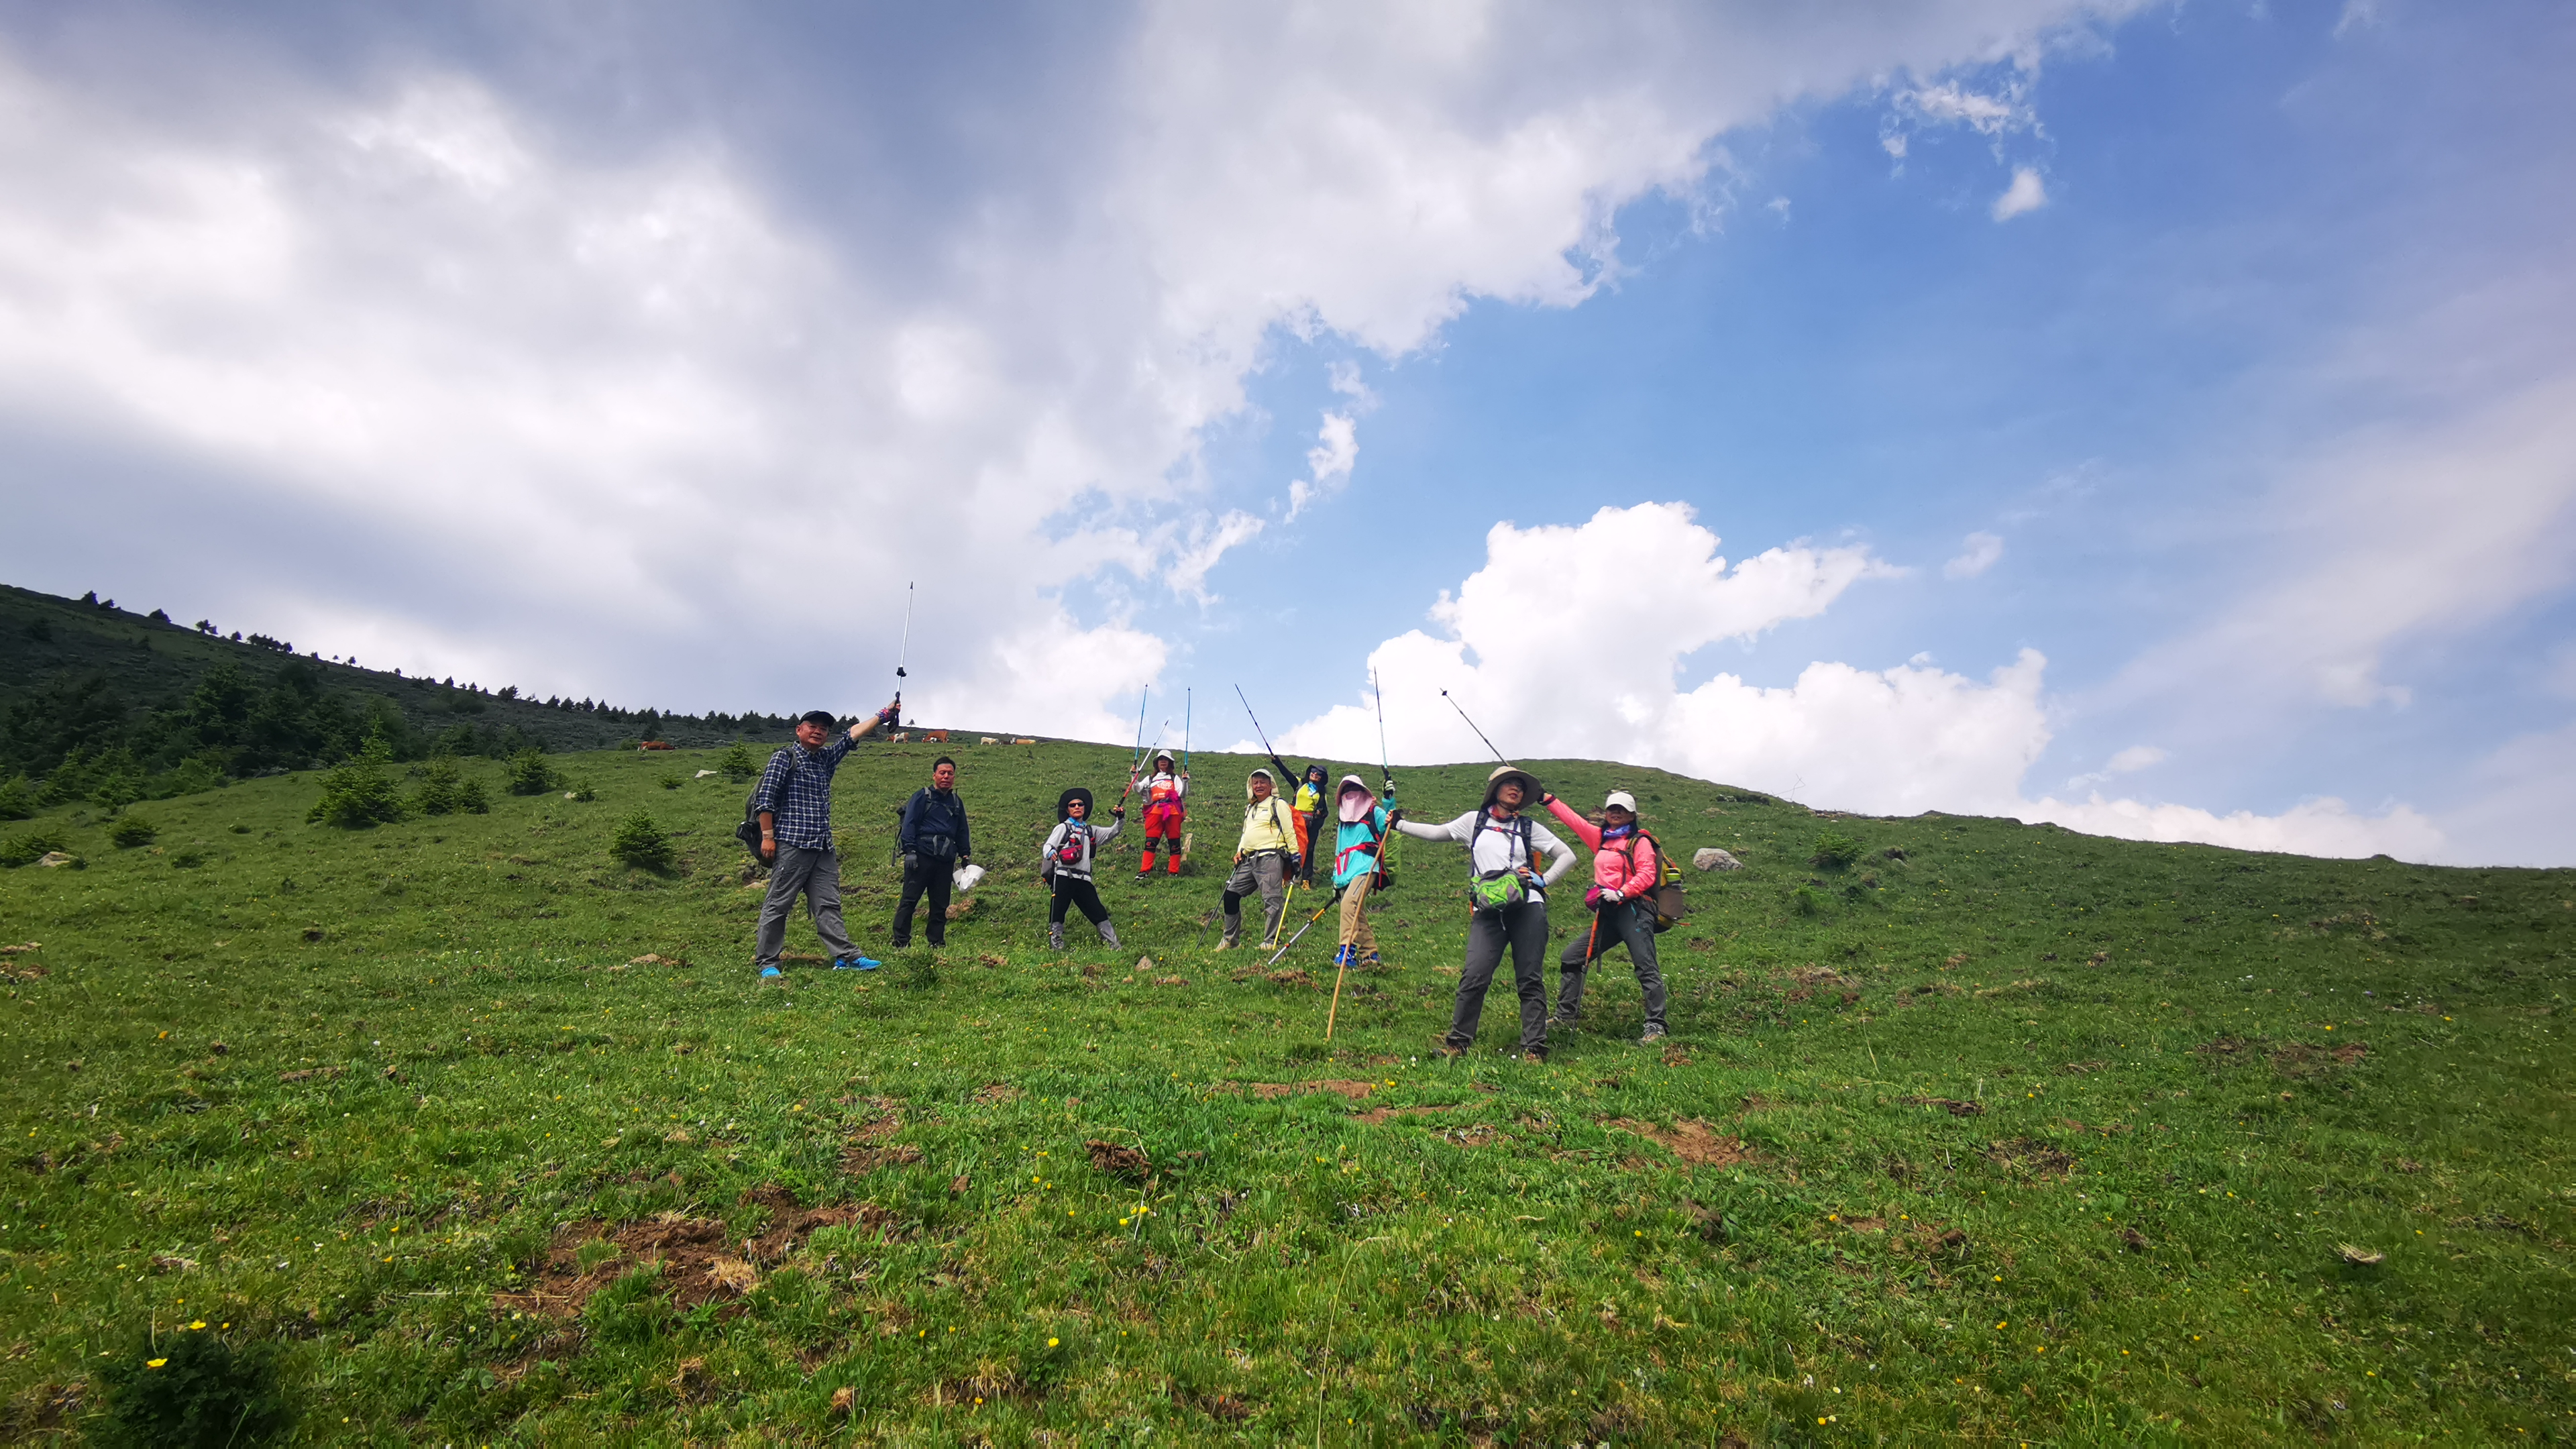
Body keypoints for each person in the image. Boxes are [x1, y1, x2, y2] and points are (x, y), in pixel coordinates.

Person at [1395, 764, 1575, 1061]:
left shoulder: (1529, 827)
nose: (1516, 789)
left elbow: (1567, 855)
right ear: (1495, 789)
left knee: (1529, 978)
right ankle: (1457, 1044)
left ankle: (1534, 1048)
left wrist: (1544, 881)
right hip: (1488, 910)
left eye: (1520, 786)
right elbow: (1437, 833)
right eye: (1509, 783)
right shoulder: (1474, 822)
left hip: (1528, 907)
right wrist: (1399, 824)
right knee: (1474, 975)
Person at [751, 702, 898, 979]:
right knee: (779, 903)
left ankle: (846, 956)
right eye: (813, 727)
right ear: (799, 730)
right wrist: (768, 838)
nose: (819, 732)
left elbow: (851, 736)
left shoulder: (826, 759)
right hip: (792, 843)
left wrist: (883, 715)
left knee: (828, 903)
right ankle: (767, 962)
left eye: (824, 729)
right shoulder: (785, 757)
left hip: (822, 846)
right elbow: (765, 800)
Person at [1542, 788, 1670, 1043]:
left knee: (1645, 966)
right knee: (1572, 957)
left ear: (1632, 815)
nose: (1616, 813)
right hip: (1609, 913)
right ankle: (1565, 1016)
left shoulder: (1639, 842)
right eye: (1612, 809)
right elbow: (1574, 821)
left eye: (1622, 810)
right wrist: (1548, 800)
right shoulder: (1601, 838)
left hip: (1634, 911)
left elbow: (1647, 874)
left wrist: (1622, 893)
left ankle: (1656, 1026)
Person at [892, 755, 973, 950]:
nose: (946, 777)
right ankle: (901, 941)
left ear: (954, 777)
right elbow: (910, 824)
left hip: (945, 860)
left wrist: (965, 856)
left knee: (940, 904)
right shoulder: (922, 797)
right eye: (942, 773)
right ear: (934, 775)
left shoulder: (956, 802)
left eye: (950, 773)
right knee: (910, 900)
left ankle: (936, 942)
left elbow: (962, 830)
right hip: (921, 857)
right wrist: (910, 851)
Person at [1214, 767, 1300, 949]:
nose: (1259, 786)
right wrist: (1240, 851)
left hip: (1271, 856)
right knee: (1231, 894)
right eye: (1255, 783)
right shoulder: (1250, 808)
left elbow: (1289, 830)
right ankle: (1231, 940)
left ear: (1271, 785)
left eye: (1263, 782)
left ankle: (1270, 942)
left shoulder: (1278, 804)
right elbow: (1246, 833)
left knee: (1272, 900)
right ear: (1251, 786)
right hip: (1248, 859)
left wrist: (1295, 855)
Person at [1039, 786, 1125, 949]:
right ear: (1068, 810)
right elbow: (1048, 845)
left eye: (1080, 804)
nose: (1077, 807)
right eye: (1073, 805)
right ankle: (1056, 945)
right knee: (1058, 910)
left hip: (1084, 879)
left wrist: (1120, 819)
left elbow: (1112, 832)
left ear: (1085, 808)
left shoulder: (1091, 831)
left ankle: (1114, 945)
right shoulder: (1062, 828)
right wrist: (1051, 852)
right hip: (1064, 876)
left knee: (1098, 911)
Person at [1328, 774, 1396, 970]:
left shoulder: (1373, 811)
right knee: (1356, 912)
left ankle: (1347, 951)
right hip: (1346, 871)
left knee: (1349, 903)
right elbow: (1339, 850)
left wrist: (1389, 800)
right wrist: (1336, 879)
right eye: (1346, 791)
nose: (1351, 794)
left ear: (1363, 792)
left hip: (1367, 866)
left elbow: (1389, 822)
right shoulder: (1342, 820)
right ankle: (1370, 954)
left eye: (1354, 789)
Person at [1263, 751, 1332, 885]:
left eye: (1319, 773)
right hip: (1295, 820)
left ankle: (1306, 880)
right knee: (1290, 847)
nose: (1315, 774)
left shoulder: (1321, 793)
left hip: (1310, 823)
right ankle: (1285, 878)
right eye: (1313, 771)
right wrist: (1277, 762)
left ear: (1322, 778)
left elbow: (1324, 811)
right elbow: (1287, 774)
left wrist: (1316, 822)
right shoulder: (1300, 784)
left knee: (1309, 850)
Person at [1133, 750, 1189, 879]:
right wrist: (1134, 775)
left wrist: (1185, 782)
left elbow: (1183, 794)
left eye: (1166, 759)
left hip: (1173, 811)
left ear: (1170, 763)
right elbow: (1137, 789)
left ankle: (1173, 872)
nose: (1163, 761)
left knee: (1174, 842)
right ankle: (1144, 871)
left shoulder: (1175, 778)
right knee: (1151, 842)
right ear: (1157, 762)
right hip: (1155, 810)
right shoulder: (1150, 778)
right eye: (1161, 759)